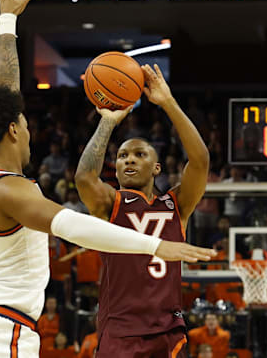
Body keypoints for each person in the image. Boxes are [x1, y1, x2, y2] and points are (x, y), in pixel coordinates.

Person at [0, 0, 214, 358]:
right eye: (24, 121)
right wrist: (156, 247)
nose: (30, 128)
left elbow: (4, 89)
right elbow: (71, 225)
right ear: (13, 131)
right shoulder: (8, 191)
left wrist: (7, 21)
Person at [75, 62, 210, 358]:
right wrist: (108, 122)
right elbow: (84, 177)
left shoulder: (176, 204)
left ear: (156, 168)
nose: (129, 160)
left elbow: (200, 161)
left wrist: (168, 102)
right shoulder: (110, 204)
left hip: (167, 329)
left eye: (139, 154)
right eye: (122, 156)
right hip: (120, 329)